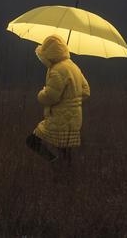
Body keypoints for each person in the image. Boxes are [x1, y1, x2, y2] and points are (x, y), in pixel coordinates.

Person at [25, 34, 90, 183]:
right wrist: (72, 101)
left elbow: (50, 97)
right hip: (74, 119)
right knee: (66, 153)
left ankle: (56, 165)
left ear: (49, 54)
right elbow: (86, 90)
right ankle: (66, 184)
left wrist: (41, 92)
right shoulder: (73, 66)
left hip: (59, 117)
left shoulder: (57, 70)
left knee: (32, 141)